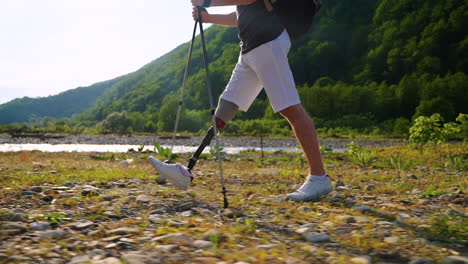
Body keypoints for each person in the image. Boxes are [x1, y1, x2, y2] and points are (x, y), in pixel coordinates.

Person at [149, 0, 332, 202]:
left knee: (290, 108)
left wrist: (208, 1)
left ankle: (318, 177)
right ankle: (187, 170)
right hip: (250, 47)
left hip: (268, 42)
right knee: (226, 106)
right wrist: (209, 17)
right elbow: (242, 14)